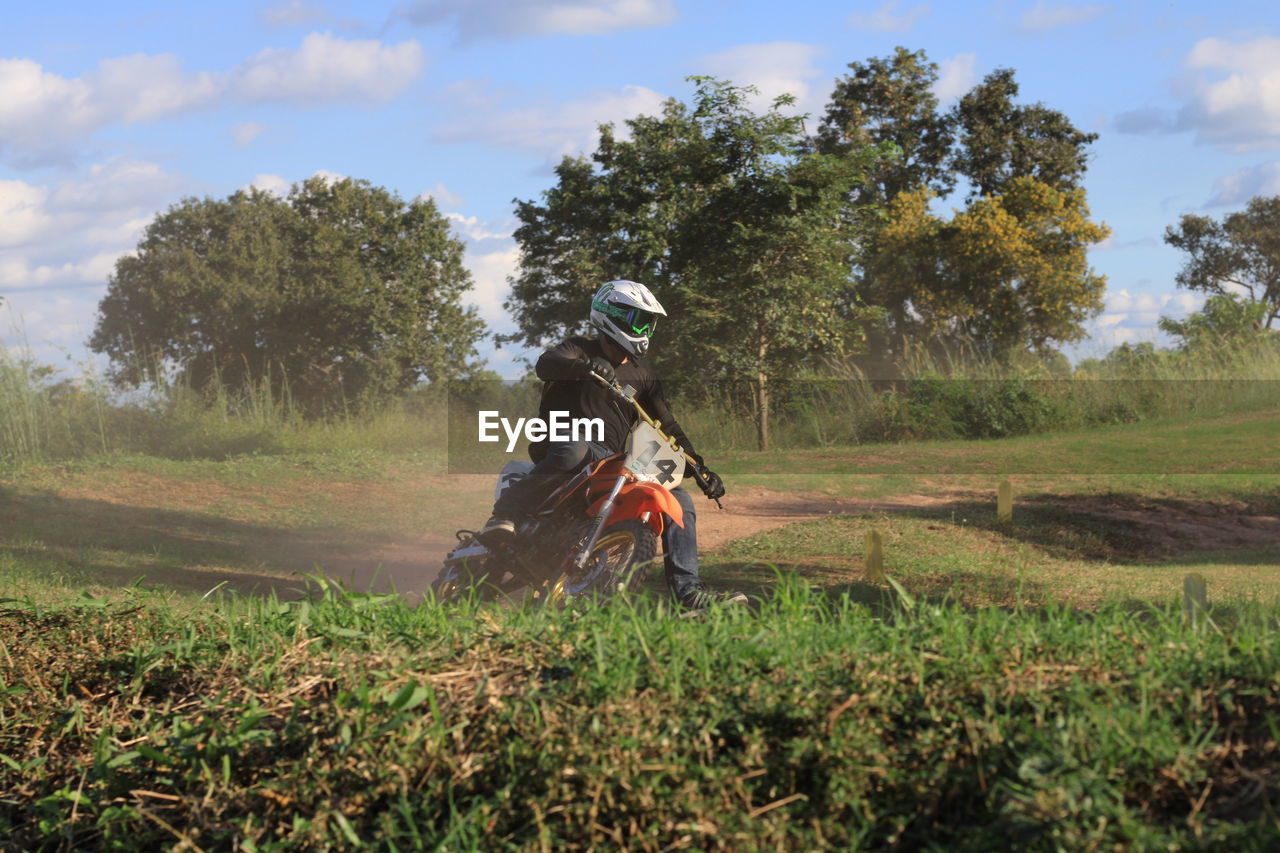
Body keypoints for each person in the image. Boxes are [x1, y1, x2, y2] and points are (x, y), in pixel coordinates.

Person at [480, 279, 746, 609]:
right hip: (563, 442)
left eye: (648, 323)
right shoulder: (578, 348)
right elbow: (545, 364)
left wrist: (699, 467)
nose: (645, 330)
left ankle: (689, 592)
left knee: (679, 500)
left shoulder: (643, 375)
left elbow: (668, 426)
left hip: (612, 459)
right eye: (639, 321)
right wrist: (583, 367)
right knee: (575, 450)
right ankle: (504, 516)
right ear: (612, 315)